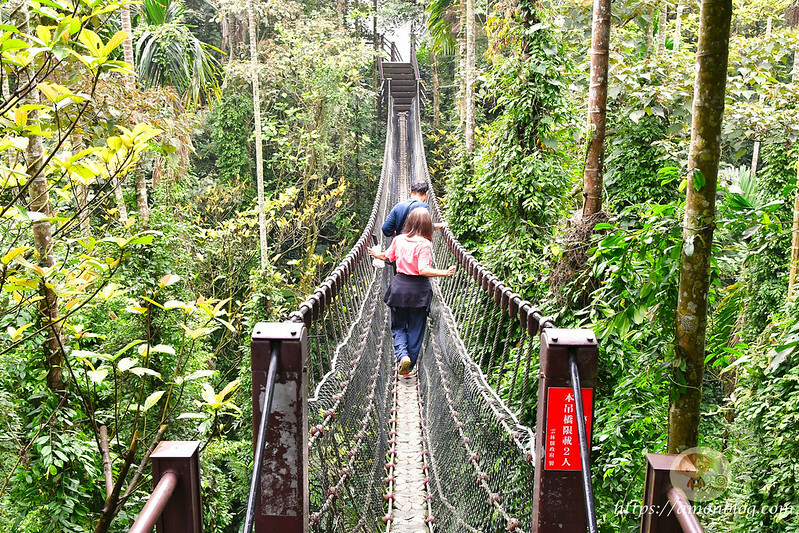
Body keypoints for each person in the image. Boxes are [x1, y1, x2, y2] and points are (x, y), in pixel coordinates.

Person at [369, 207, 456, 375]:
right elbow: (422, 269)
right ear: (427, 226)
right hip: (419, 292)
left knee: (398, 326)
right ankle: (408, 367)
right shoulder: (425, 244)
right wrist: (444, 273)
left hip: (399, 289)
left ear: (409, 223)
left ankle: (402, 356)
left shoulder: (399, 239)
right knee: (416, 330)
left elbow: (387, 257)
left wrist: (376, 254)